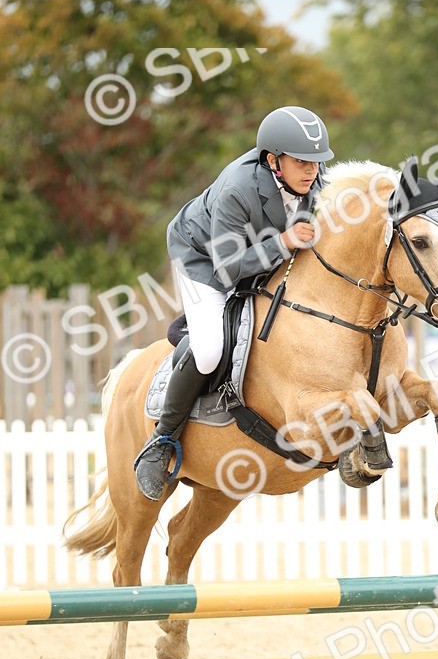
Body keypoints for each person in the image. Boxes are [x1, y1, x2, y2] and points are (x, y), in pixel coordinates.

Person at [134, 105, 334, 500]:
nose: (311, 171)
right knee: (210, 350)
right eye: (300, 162)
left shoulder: (316, 181)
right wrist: (283, 242)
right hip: (204, 259)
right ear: (274, 161)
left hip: (262, 252)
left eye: (315, 162)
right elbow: (227, 271)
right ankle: (162, 440)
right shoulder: (237, 189)